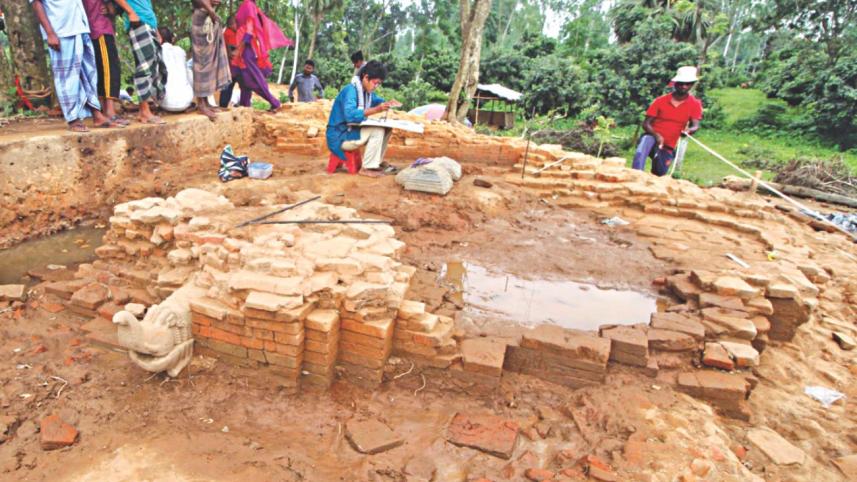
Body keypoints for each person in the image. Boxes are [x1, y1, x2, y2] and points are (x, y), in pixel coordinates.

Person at [29, 0, 114, 132]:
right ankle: (73, 119)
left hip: (80, 28)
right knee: (66, 78)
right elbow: (36, 3)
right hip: (61, 31)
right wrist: (50, 33)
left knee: (88, 74)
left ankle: (96, 114)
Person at [326, 60, 402, 177]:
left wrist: (388, 103)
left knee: (387, 128)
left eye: (379, 84)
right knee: (377, 130)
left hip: (349, 132)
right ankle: (367, 168)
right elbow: (350, 115)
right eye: (375, 83)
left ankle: (376, 162)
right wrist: (377, 109)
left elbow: (376, 100)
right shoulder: (351, 91)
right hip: (339, 136)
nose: (376, 86)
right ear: (366, 77)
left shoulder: (366, 92)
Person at [632, 66, 702, 176]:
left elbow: (695, 125)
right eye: (681, 83)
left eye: (688, 83)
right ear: (675, 83)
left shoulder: (695, 104)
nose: (684, 86)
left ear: (692, 84)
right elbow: (646, 124)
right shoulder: (660, 101)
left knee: (659, 172)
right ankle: (635, 175)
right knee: (644, 144)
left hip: (669, 144)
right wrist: (657, 136)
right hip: (652, 138)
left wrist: (689, 131)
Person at [83, 0, 138, 127]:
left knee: (102, 71)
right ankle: (110, 112)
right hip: (100, 28)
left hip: (95, 28)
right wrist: (129, 11)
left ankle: (105, 110)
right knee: (110, 71)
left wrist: (111, 8)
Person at [232, 0, 290, 111]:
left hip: (246, 48)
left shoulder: (248, 4)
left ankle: (275, 102)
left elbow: (249, 31)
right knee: (244, 80)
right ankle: (245, 107)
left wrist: (239, 49)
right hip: (244, 48)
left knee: (252, 79)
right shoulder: (248, 5)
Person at [123, 0, 166, 124]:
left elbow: (148, 5)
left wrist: (156, 29)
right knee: (144, 66)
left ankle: (146, 109)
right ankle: (144, 111)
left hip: (148, 23)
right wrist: (131, 12)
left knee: (152, 65)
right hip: (138, 22)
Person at [190, 0, 231, 121]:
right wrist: (210, 9)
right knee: (202, 62)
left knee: (209, 62)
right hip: (202, 17)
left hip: (207, 17)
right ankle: (201, 103)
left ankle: (206, 101)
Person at [157, 27, 194, 112]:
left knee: (148, 74)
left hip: (166, 103)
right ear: (172, 38)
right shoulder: (180, 50)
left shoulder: (157, 51)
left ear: (159, 38)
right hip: (186, 101)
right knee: (188, 71)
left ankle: (148, 107)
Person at [218, 15, 239, 108]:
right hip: (230, 66)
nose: (238, 25)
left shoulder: (228, 32)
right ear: (231, 25)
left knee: (228, 87)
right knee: (227, 87)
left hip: (230, 65)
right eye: (236, 23)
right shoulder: (229, 33)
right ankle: (223, 105)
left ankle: (224, 105)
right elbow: (231, 49)